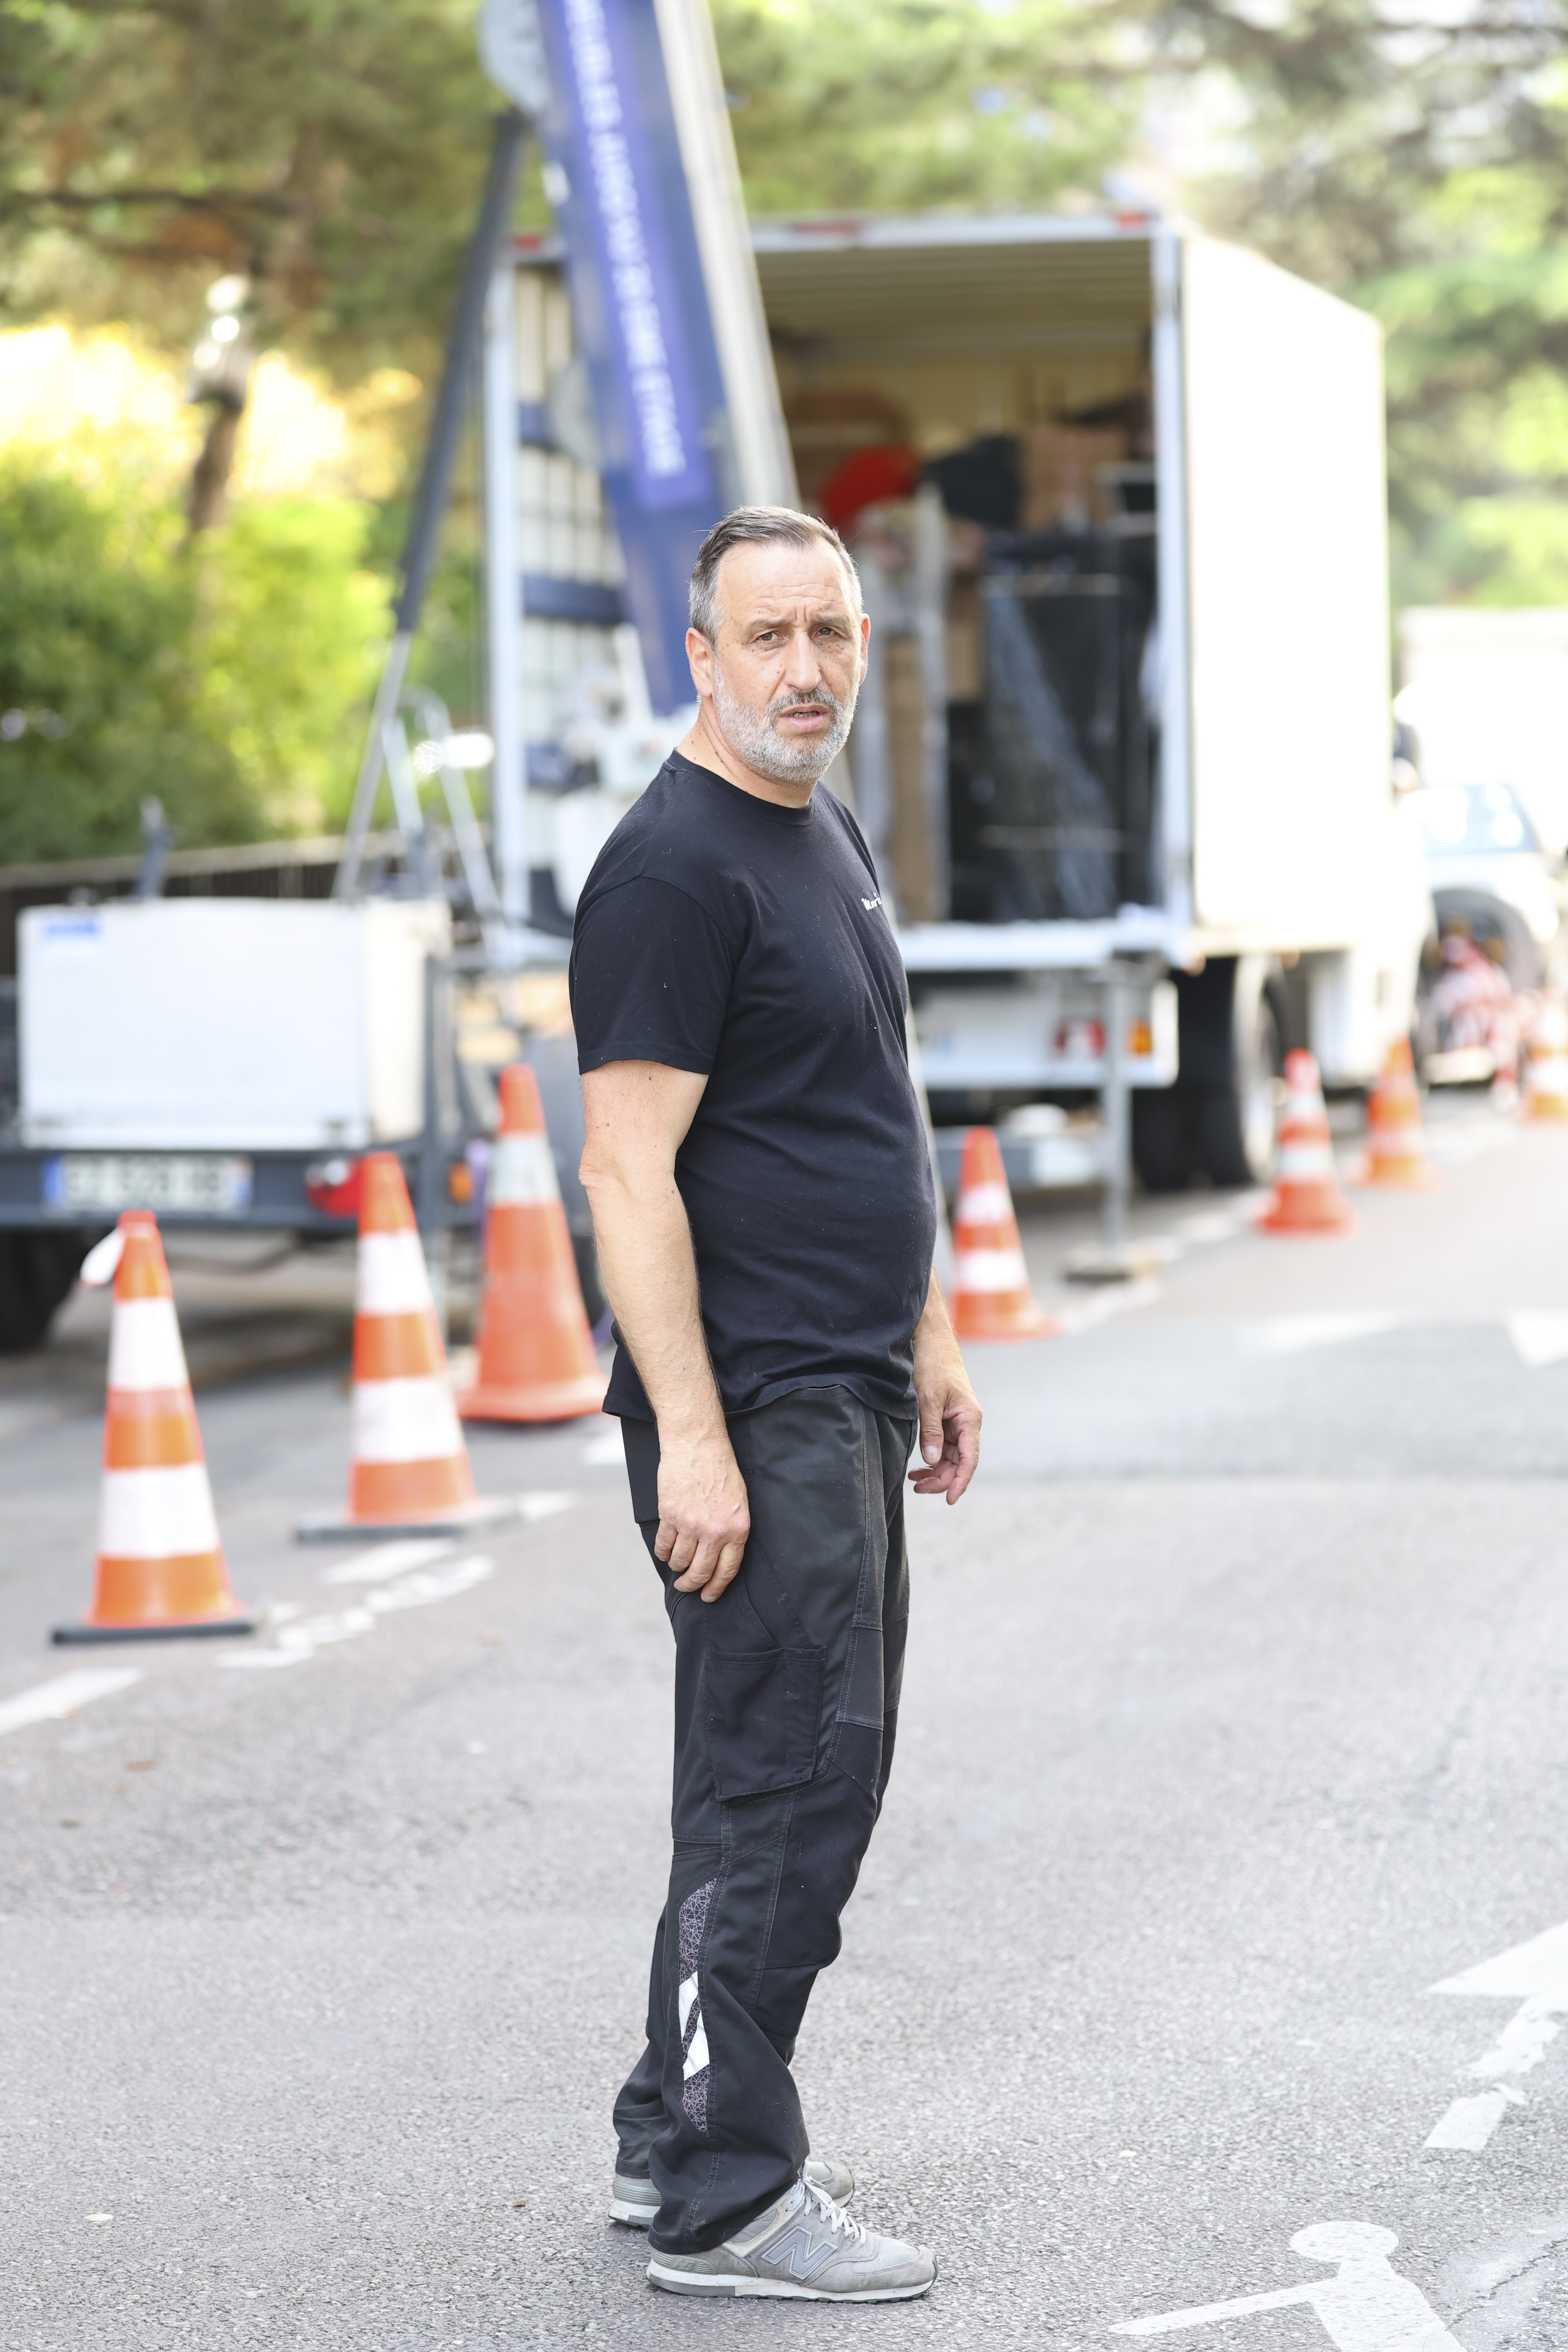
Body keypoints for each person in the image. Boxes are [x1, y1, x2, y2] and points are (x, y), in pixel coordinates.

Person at [569, 505, 982, 2301]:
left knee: (763, 1773)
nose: (803, 670)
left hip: (846, 1381)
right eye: (766, 637)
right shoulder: (672, 871)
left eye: (831, 633)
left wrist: (930, 1331)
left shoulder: (816, 826)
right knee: (793, 1783)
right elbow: (624, 1171)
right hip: (754, 1403)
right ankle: (729, 2197)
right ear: (701, 656)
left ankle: (667, 2128)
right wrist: (696, 1437)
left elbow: (872, 1096)